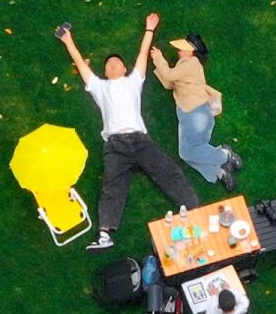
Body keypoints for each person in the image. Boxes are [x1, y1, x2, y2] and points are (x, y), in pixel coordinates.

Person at [55, 15, 200, 252]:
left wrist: (149, 29)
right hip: (115, 146)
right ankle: (105, 233)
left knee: (167, 170)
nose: (111, 65)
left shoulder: (134, 81)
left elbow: (143, 56)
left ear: (124, 68)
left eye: (116, 63)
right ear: (104, 72)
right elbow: (81, 65)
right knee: (112, 185)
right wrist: (68, 40)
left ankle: (194, 209)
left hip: (140, 141)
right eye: (107, 65)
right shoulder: (99, 88)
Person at [149, 33, 243, 190]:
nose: (178, 51)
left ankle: (225, 155)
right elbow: (169, 84)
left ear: (190, 51)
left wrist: (158, 58)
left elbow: (169, 75)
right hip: (192, 113)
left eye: (182, 48)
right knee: (187, 154)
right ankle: (221, 172)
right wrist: (157, 63)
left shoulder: (191, 63)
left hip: (195, 112)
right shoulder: (185, 66)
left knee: (187, 152)